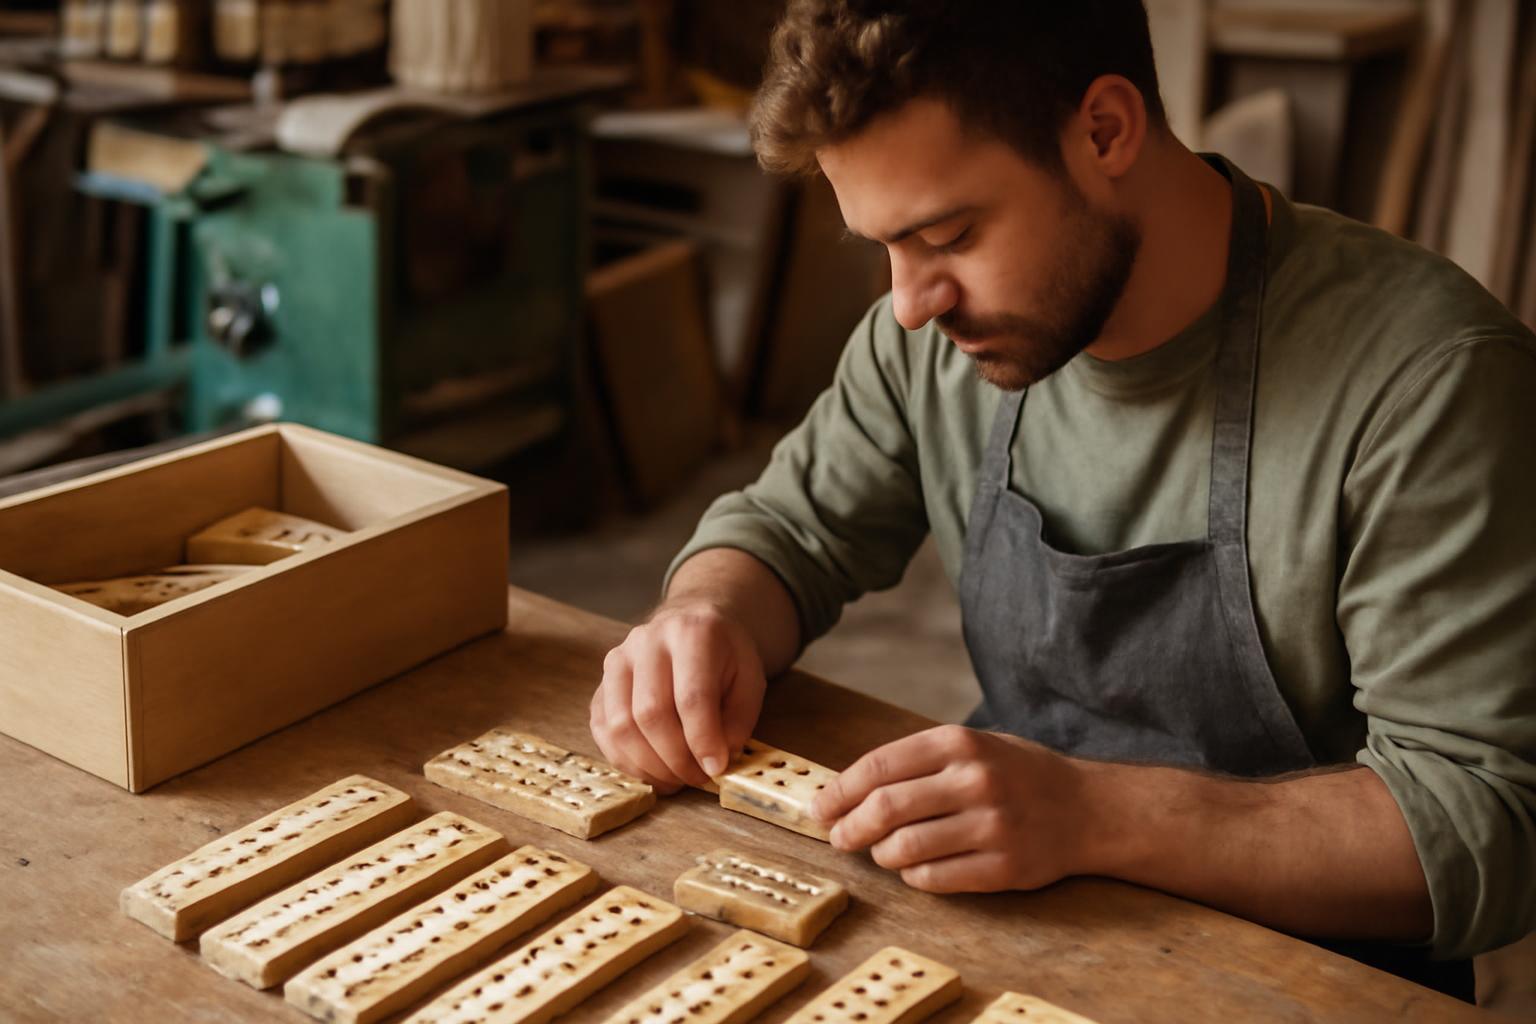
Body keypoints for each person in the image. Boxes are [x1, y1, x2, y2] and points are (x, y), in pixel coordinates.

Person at [588, 0, 1536, 999]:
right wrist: (705, 616)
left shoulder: (1429, 384)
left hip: (1303, 976)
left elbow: (1486, 825)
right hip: (1010, 934)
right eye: (884, 247)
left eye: (948, 233)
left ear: (1106, 131)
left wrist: (1091, 814)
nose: (910, 301)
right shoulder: (927, 341)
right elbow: (785, 529)